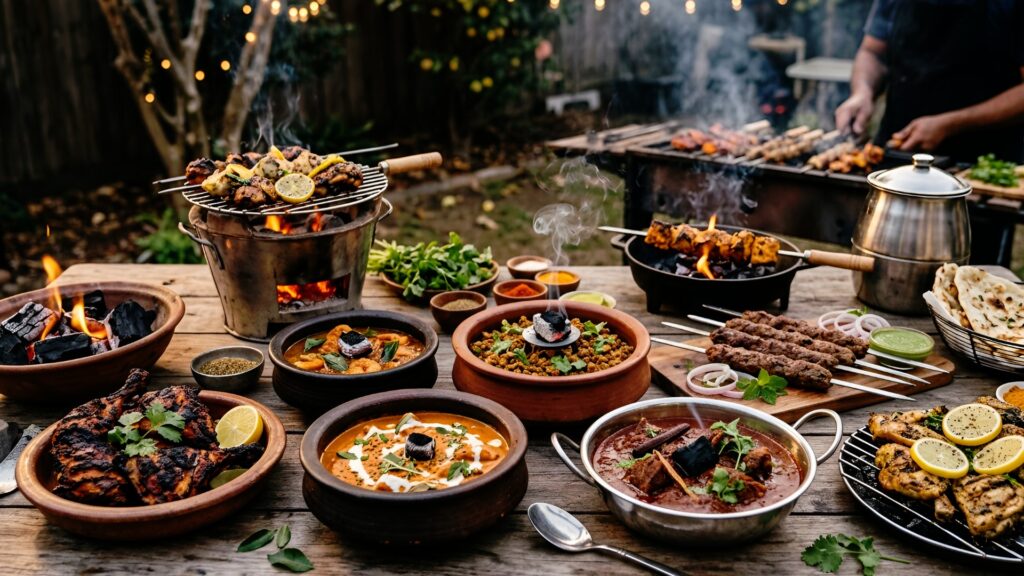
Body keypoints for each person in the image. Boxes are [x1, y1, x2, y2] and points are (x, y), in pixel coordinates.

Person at [835, 0, 1024, 162]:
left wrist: (950, 124)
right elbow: (873, 52)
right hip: (896, 150)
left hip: (983, 162)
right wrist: (863, 92)